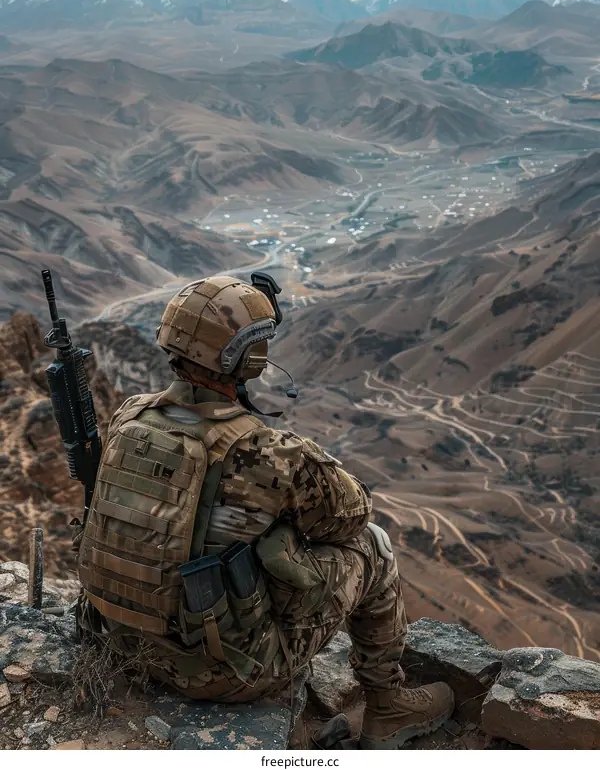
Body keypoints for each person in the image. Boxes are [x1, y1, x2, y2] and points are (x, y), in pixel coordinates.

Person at [75, 274, 454, 749]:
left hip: (120, 643)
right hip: (224, 673)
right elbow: (352, 515)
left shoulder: (129, 414)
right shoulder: (272, 452)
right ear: (244, 358)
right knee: (372, 545)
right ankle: (389, 704)